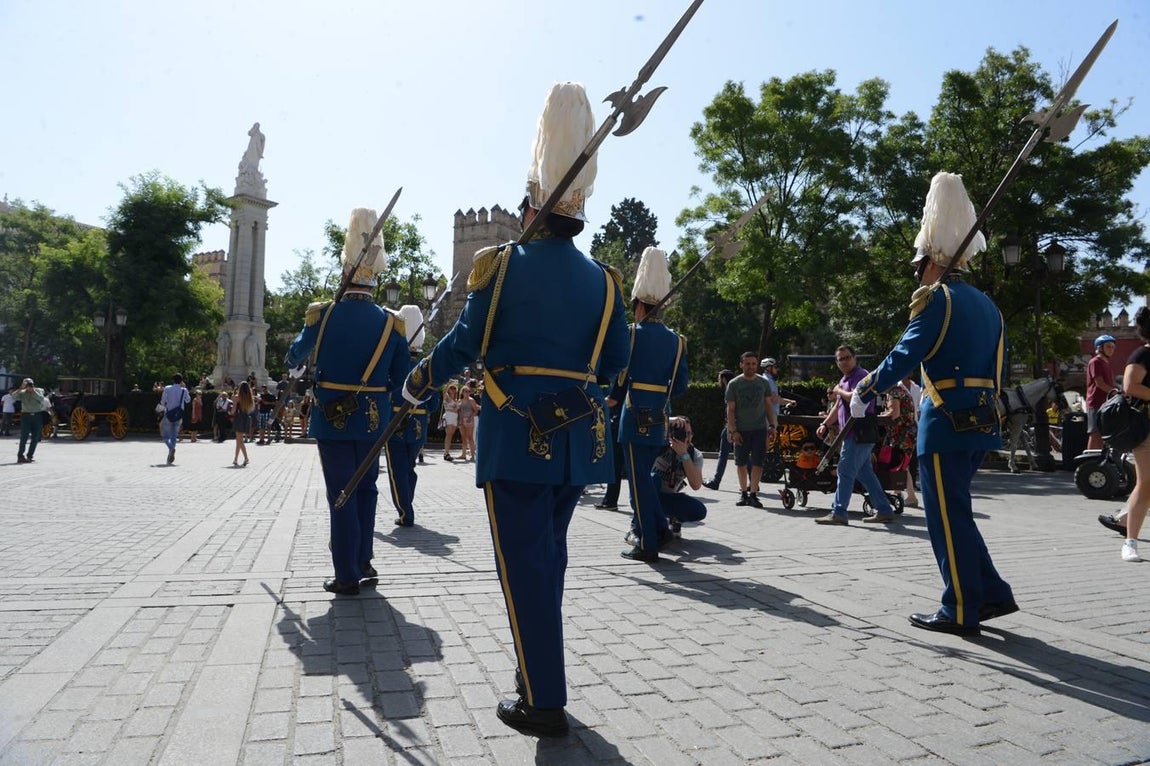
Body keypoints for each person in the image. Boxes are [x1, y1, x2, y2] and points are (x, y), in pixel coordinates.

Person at [402, 82, 629, 737]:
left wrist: (418, 383)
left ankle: (543, 700)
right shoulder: (605, 281)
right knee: (548, 561)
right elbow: (616, 361)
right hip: (576, 442)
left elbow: (462, 343)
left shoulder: (501, 266)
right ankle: (536, 673)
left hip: (518, 438)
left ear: (533, 207)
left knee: (525, 568)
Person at [853, 171, 1016, 635]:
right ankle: (992, 593)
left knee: (946, 519)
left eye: (917, 265)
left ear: (930, 262)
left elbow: (904, 356)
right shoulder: (988, 305)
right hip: (982, 421)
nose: (916, 273)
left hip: (944, 423)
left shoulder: (936, 299)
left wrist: (865, 390)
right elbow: (1000, 366)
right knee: (957, 512)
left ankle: (960, 608)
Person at [287, 207, 410, 596]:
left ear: (345, 272)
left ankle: (346, 574)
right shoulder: (391, 322)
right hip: (373, 420)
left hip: (331, 418)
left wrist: (299, 363)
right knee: (367, 489)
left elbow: (294, 356)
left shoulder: (322, 314)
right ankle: (364, 559)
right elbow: (401, 379)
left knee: (341, 492)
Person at [614, 246, 690, 562]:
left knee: (638, 484)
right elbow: (681, 385)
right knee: (645, 480)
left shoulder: (631, 334)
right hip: (660, 417)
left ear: (639, 305)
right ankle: (659, 527)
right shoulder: (677, 340)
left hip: (633, 418)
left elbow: (619, 377)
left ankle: (648, 542)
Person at [814, 346, 895, 525]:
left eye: (847, 357)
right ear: (836, 362)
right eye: (840, 359)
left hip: (858, 433)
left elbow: (854, 397)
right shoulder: (844, 380)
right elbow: (838, 406)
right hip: (853, 434)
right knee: (865, 474)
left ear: (855, 358)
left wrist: (838, 391)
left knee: (844, 471)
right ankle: (884, 510)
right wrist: (825, 424)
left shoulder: (862, 376)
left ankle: (839, 512)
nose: (844, 361)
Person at [384, 305, 441, 527]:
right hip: (419, 425)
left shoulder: (393, 363)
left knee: (397, 470)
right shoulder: (427, 365)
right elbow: (434, 403)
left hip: (395, 422)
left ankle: (405, 512)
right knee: (409, 468)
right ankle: (407, 505)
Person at [1115, 308, 1150, 562]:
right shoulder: (1142, 354)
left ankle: (1125, 517)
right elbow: (1129, 386)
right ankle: (1130, 543)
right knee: (1146, 483)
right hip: (1147, 428)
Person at [726, 352, 775, 508]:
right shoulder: (734, 384)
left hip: (760, 429)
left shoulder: (763, 383)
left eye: (754, 364)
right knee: (740, 463)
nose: (751, 366)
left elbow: (768, 405)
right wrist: (733, 431)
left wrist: (772, 425)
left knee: (758, 463)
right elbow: (730, 409)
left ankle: (753, 494)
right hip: (741, 430)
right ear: (741, 365)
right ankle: (743, 493)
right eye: (747, 364)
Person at [651, 416, 707, 539]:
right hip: (649, 494)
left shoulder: (694, 454)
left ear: (692, 435)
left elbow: (696, 485)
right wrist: (668, 420)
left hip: (668, 499)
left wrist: (684, 454)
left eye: (688, 433)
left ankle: (675, 520)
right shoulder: (659, 444)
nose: (684, 437)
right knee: (653, 478)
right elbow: (649, 425)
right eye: (680, 432)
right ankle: (641, 524)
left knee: (699, 510)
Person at [882, 377, 919, 508]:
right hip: (908, 432)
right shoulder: (901, 391)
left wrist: (881, 416)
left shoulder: (894, 393)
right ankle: (897, 492)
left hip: (902, 434)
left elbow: (895, 413)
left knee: (902, 463)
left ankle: (911, 497)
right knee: (901, 463)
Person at [702, 369, 735, 490]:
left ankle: (716, 481)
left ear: (724, 379)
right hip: (738, 425)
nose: (718, 381)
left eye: (719, 378)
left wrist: (730, 428)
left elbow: (730, 410)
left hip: (730, 426)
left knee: (723, 454)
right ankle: (754, 483)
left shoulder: (729, 390)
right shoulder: (737, 388)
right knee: (742, 455)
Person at [1087, 334, 1118, 450]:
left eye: (1113, 347)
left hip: (1106, 403)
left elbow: (1111, 384)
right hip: (1096, 402)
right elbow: (1100, 383)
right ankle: (1090, 458)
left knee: (1104, 434)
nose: (1111, 349)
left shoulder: (1106, 363)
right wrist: (1116, 392)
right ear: (1100, 348)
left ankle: (1101, 458)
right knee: (1095, 433)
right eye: (1108, 346)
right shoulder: (1095, 362)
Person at [10, 378, 49, 463]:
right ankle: (20, 456)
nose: (29, 386)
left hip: (37, 416)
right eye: (27, 384)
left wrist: (33, 391)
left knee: (35, 437)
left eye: (30, 384)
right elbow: (13, 397)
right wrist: (21, 388)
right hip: (26, 416)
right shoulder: (22, 392)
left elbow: (41, 399)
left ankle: (30, 456)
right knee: (24, 437)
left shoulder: (39, 390)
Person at [158, 373, 190, 465]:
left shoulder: (167, 388)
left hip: (169, 414)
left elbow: (162, 402)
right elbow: (188, 400)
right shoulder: (184, 390)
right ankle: (170, 455)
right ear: (181, 381)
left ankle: (171, 448)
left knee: (165, 436)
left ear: (173, 380)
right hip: (179, 415)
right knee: (174, 436)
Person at [231, 381, 255, 467]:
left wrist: (231, 410)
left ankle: (246, 458)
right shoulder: (249, 398)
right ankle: (235, 459)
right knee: (239, 440)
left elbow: (233, 410)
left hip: (239, 418)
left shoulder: (237, 397)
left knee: (240, 441)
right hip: (246, 418)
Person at [441, 382, 461, 461]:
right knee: (448, 435)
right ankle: (446, 453)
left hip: (455, 417)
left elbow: (457, 410)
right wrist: (448, 384)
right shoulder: (447, 397)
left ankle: (447, 452)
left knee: (451, 435)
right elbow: (444, 392)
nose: (452, 389)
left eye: (454, 388)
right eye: (451, 388)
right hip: (449, 416)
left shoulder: (456, 399)